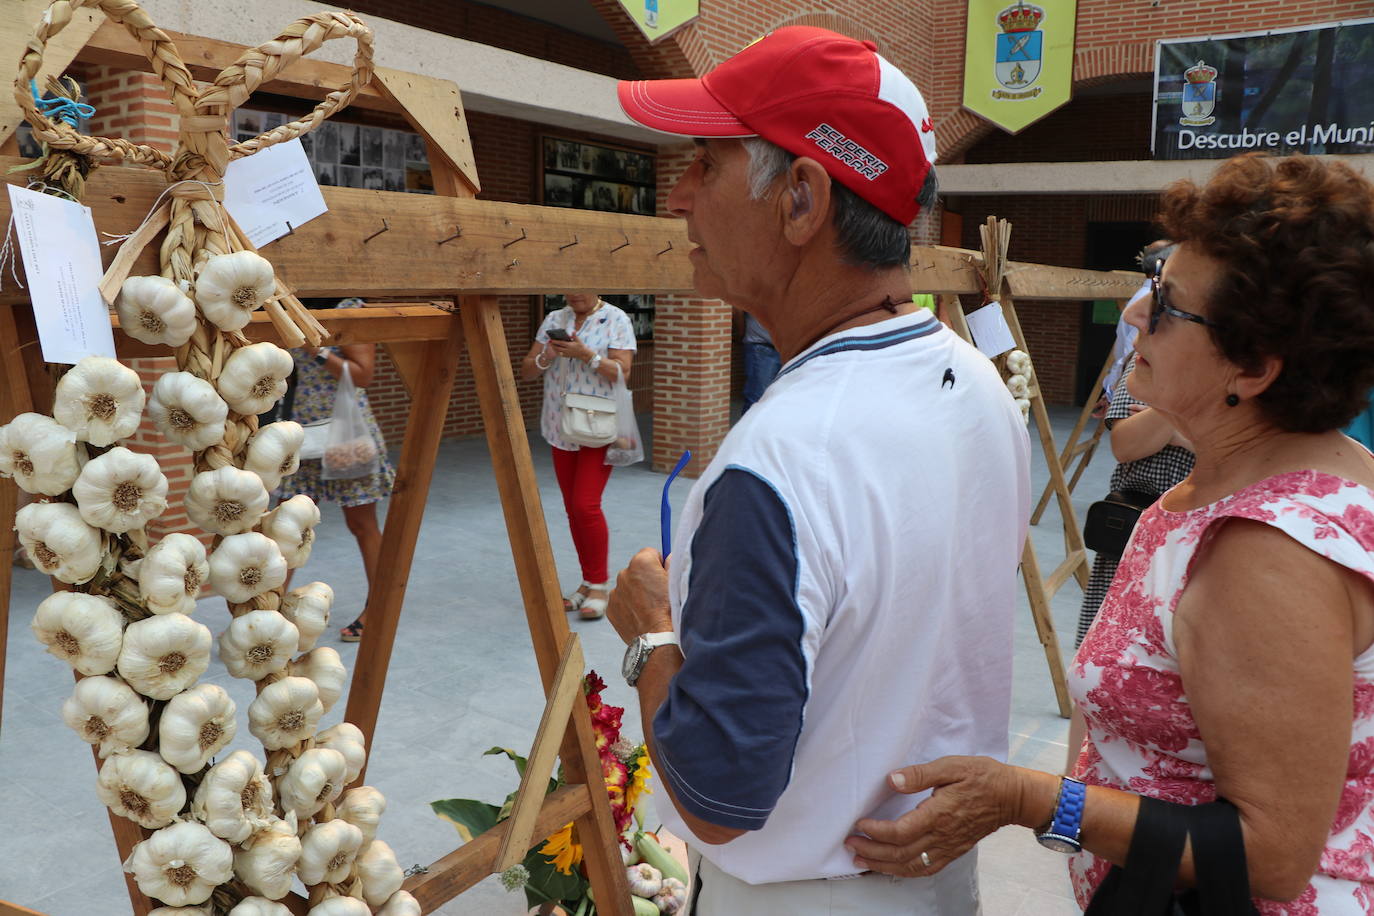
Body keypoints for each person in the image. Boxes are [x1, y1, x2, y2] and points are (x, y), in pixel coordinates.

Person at [843, 154, 1374, 911]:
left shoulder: (1267, 553)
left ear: (1252, 366)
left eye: (1165, 303)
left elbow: (1272, 855)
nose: (1132, 316)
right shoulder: (1267, 474)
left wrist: (1029, 799)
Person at [605, 27, 1031, 913]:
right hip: (937, 880)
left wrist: (651, 630)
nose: (679, 196)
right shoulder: (977, 383)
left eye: (706, 163)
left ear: (802, 199)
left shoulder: (778, 462)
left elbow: (717, 800)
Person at [278, 297, 396, 642]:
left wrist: (318, 350)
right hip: (302, 429)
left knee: (361, 524)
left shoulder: (349, 308)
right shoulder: (289, 307)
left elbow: (363, 375)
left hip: (346, 431)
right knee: (290, 525)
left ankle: (380, 607)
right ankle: (269, 613)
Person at [519, 293, 635, 620]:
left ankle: (599, 584)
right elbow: (527, 371)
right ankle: (587, 581)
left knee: (586, 504)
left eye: (582, 285)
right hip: (561, 424)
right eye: (568, 287)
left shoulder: (616, 318)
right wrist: (547, 355)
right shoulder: (555, 319)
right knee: (573, 508)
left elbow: (624, 372)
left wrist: (587, 355)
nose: (575, 293)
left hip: (599, 425)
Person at [739, 312, 780, 412]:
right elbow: (737, 312)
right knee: (757, 398)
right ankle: (748, 427)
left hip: (785, 349)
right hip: (762, 346)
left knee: (777, 398)